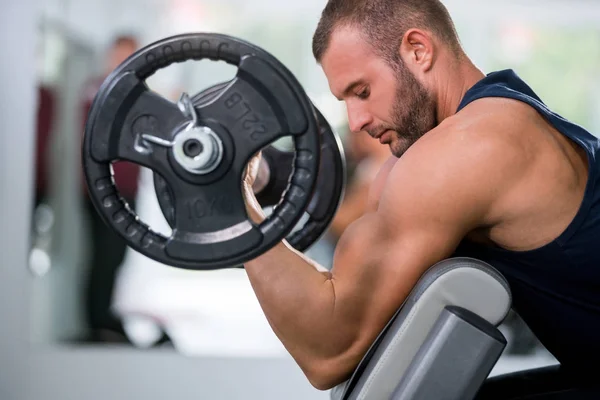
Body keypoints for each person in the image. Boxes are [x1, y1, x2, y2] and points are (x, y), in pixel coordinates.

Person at [239, 0, 600, 391]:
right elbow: (344, 276)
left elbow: (329, 351)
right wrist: (258, 182)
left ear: (418, 50)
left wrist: (229, 209)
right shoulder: (475, 122)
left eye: (362, 91)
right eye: (346, 101)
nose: (356, 121)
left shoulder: (474, 146)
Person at [80, 34, 141, 342]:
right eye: (119, 54)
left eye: (129, 55)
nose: (122, 61)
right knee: (103, 257)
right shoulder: (97, 91)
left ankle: (106, 318)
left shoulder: (136, 94)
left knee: (116, 257)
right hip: (101, 192)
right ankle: (96, 323)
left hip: (128, 191)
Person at [328, 126, 391, 241]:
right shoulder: (371, 165)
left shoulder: (378, 166)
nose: (352, 142)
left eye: (356, 135)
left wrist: (310, 201)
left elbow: (345, 221)